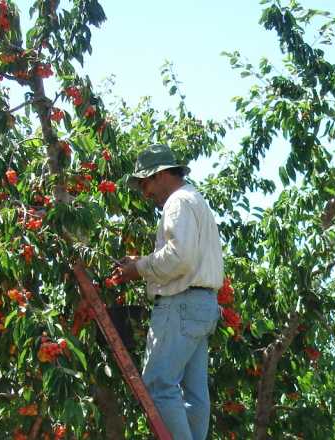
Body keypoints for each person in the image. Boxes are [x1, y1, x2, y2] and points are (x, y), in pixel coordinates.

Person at [117, 143, 224, 440]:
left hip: (182, 304)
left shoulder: (177, 202)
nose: (144, 192)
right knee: (194, 394)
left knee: (158, 384)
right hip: (202, 307)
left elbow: (179, 257)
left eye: (145, 183)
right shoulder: (196, 200)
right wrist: (142, 265)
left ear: (161, 175)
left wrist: (138, 268)